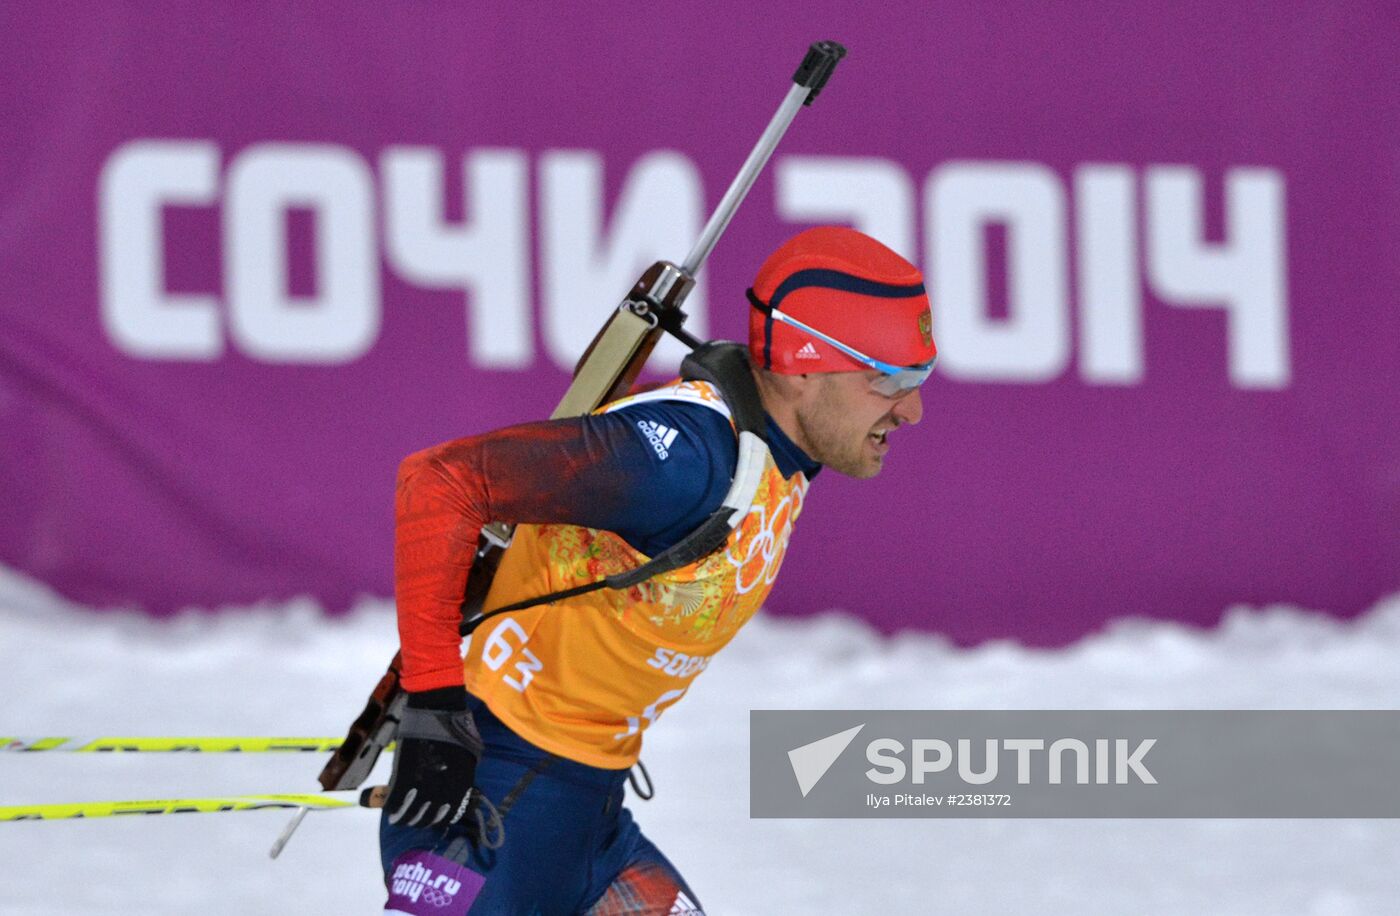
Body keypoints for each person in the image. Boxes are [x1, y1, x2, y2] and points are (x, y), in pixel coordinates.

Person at [379, 226, 937, 915]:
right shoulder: (684, 464)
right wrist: (432, 710)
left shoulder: (783, 442)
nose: (911, 409)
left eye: (921, 377)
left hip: (588, 820)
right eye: (890, 379)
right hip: (483, 810)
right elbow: (440, 481)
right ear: (801, 364)